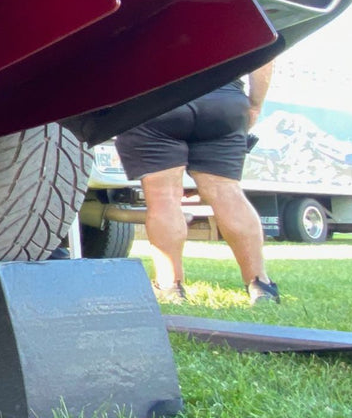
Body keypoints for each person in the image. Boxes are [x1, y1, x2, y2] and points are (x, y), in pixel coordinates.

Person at [114, 62, 279, 304]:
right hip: (223, 99)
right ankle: (261, 285)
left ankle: (170, 287)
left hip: (154, 99)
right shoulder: (227, 20)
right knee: (228, 192)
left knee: (163, 197)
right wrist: (255, 103)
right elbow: (265, 57)